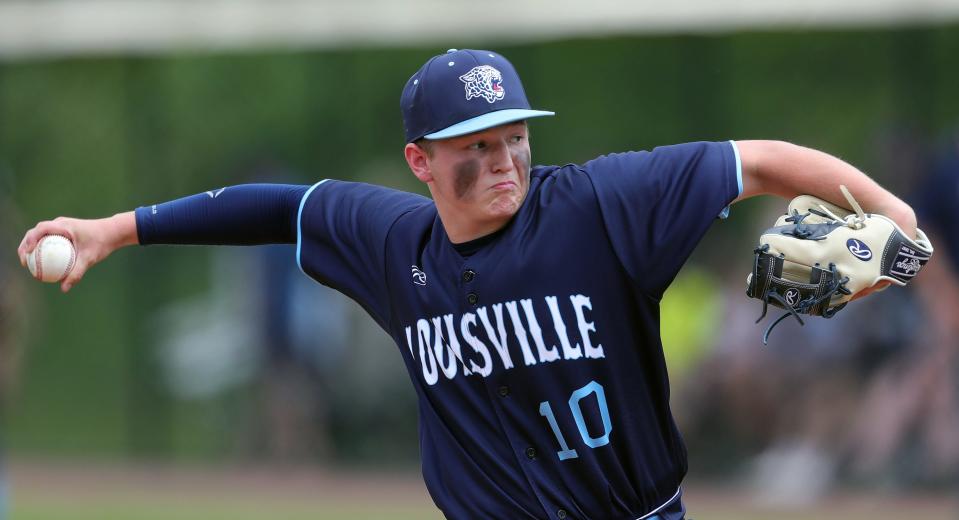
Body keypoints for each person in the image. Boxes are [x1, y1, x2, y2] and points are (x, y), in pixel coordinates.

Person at [17, 49, 921, 519]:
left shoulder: (599, 206)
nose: (503, 159)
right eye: (475, 145)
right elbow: (271, 208)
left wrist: (898, 221)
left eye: (513, 135)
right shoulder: (389, 241)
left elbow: (758, 160)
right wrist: (112, 230)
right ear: (420, 160)